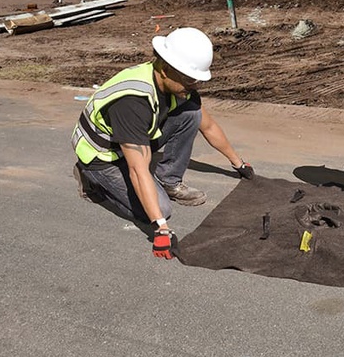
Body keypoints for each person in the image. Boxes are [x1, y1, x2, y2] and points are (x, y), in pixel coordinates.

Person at [72, 27, 255, 259]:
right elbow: (138, 170)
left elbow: (208, 126)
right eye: (190, 79)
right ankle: (93, 182)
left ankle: (169, 181)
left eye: (198, 80)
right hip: (102, 156)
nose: (194, 85)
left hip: (132, 139)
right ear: (166, 68)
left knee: (191, 114)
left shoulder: (180, 86)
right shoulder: (133, 101)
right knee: (161, 209)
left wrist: (238, 164)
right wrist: (160, 229)